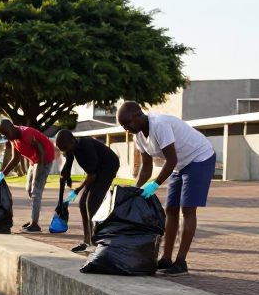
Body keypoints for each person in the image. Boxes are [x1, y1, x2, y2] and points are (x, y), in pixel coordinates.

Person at [115, 101, 216, 276]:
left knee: (188, 209)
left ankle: (181, 261)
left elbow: (171, 160)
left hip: (199, 158)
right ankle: (166, 258)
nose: (126, 128)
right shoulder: (138, 135)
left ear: (138, 115)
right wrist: (135, 189)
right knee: (171, 209)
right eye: (123, 125)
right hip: (180, 164)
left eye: (127, 123)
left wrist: (154, 184)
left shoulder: (159, 125)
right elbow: (146, 167)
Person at [54, 130, 120, 253]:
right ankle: (86, 240)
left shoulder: (86, 147)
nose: (65, 151)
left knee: (92, 203)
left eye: (65, 148)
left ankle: (98, 241)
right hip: (96, 170)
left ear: (72, 141)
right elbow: (67, 167)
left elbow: (92, 176)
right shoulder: (71, 149)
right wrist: (66, 177)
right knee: (82, 202)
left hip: (108, 166)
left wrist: (78, 189)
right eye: (62, 149)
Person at [0, 118, 57, 233]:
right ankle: (34, 218)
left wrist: (38, 173)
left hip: (45, 159)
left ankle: (35, 224)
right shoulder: (13, 138)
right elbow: (15, 159)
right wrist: (2, 174)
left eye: (7, 133)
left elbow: (41, 151)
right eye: (4, 135)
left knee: (36, 190)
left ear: (12, 127)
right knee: (29, 189)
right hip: (34, 161)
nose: (7, 137)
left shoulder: (26, 133)